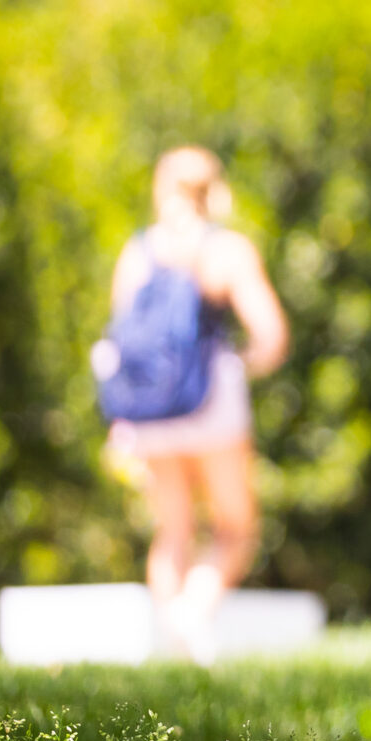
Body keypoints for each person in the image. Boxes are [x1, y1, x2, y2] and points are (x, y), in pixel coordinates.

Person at [100, 148, 288, 664]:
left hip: (148, 413)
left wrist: (119, 422)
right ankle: (192, 614)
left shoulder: (138, 251)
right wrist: (239, 364)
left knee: (173, 530)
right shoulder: (225, 250)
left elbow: (120, 342)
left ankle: (173, 649)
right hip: (212, 406)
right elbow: (271, 336)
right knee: (236, 528)